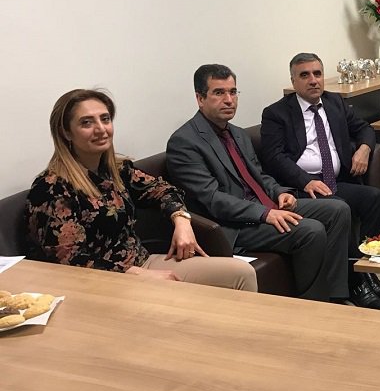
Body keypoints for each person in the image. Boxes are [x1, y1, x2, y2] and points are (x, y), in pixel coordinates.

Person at [26, 89, 257, 291]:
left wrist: (181, 219)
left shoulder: (117, 170)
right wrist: (138, 275)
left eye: (105, 119)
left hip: (143, 263)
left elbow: (162, 189)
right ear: (66, 132)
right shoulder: (51, 188)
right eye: (86, 123)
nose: (101, 129)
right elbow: (69, 262)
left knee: (241, 273)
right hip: (103, 284)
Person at [166, 64, 351, 302]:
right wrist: (265, 214)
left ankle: (336, 295)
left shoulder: (237, 133)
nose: (229, 100)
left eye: (233, 92)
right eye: (219, 93)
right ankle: (313, 304)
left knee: (338, 209)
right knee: (310, 230)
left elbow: (259, 176)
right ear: (200, 98)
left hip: (263, 205)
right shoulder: (184, 142)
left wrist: (279, 192)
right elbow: (212, 199)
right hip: (232, 224)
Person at [259, 52, 380, 309]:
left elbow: (364, 128)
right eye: (304, 75)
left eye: (317, 74)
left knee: (374, 198)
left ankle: (370, 269)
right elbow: (274, 157)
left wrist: (364, 149)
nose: (313, 80)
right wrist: (305, 180)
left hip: (336, 179)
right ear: (293, 81)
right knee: (340, 207)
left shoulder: (334, 102)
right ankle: (355, 282)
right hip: (303, 188)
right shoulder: (276, 113)